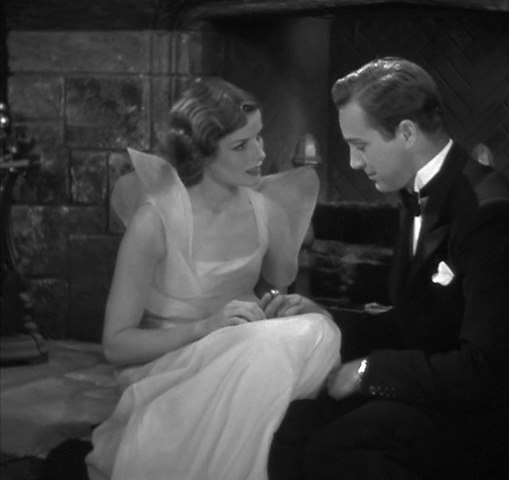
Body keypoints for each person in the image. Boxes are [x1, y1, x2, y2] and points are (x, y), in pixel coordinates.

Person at [268, 57, 509, 480]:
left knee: (338, 446)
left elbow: (487, 370)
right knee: (293, 424)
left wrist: (368, 371)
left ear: (406, 133)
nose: (353, 162)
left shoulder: (490, 217)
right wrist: (328, 317)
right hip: (452, 390)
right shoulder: (416, 193)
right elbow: (421, 321)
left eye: (360, 145)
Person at [82, 78, 340, 480]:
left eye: (259, 137)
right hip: (172, 369)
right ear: (200, 153)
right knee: (272, 353)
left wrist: (292, 306)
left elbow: (274, 299)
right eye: (241, 146)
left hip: (245, 355)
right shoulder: (155, 222)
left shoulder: (267, 212)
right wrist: (204, 328)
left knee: (319, 330)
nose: (260, 154)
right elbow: (116, 345)